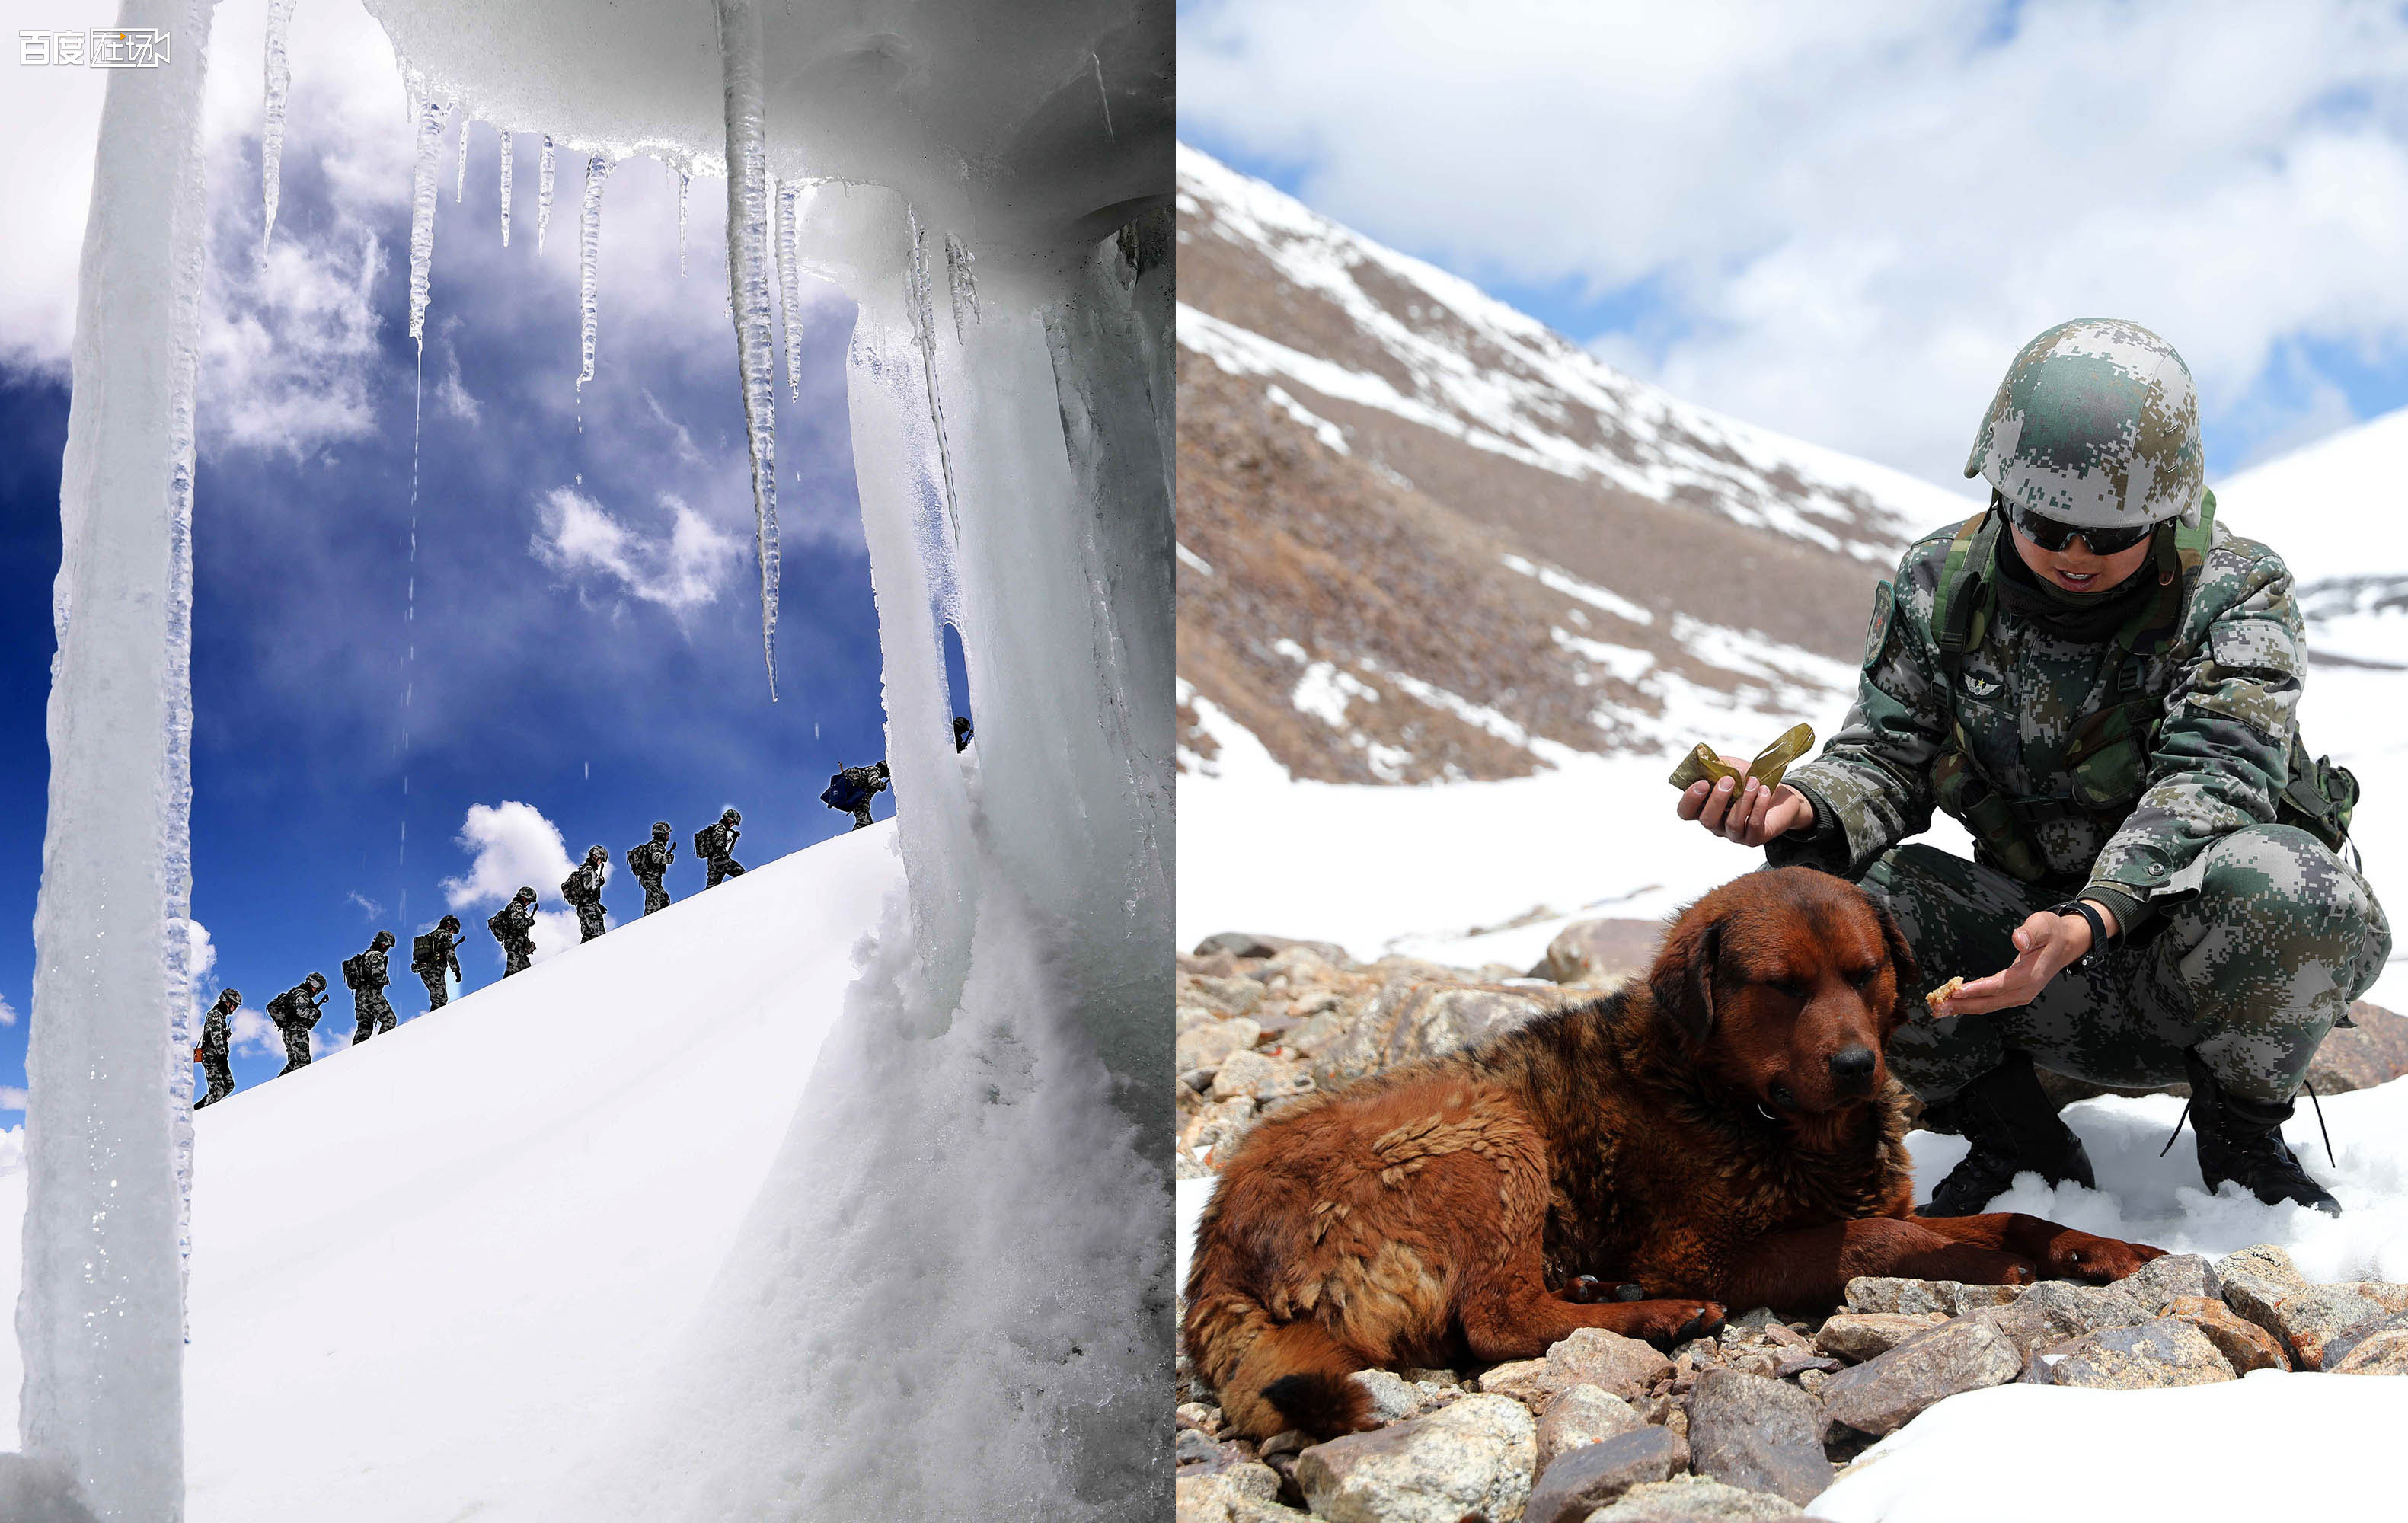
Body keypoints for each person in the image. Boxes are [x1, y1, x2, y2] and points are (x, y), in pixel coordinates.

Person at [1677, 318, 2387, 1218]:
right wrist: (1803, 807)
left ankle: (2242, 1135)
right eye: (2050, 525)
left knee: (2297, 882)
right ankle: (2014, 1138)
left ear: (2166, 515)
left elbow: (2215, 779)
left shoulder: (2239, 592)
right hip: (2020, 963)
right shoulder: (1940, 584)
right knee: (1823, 882)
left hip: (2196, 965)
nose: (2078, 555)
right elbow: (1885, 754)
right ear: (2005, 495)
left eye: (2114, 533)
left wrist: (2092, 916)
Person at [342, 930, 399, 1045]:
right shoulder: (376, 955)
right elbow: (378, 975)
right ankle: (380, 1049)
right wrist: (385, 979)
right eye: (387, 946)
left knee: (364, 1029)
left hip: (360, 996)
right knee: (390, 1020)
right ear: (383, 943)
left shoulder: (365, 955)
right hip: (370, 993)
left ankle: (354, 1056)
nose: (387, 949)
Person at [266, 974, 327, 1077]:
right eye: (318, 989)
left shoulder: (295, 992)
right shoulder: (302, 994)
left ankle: (279, 1084)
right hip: (296, 1032)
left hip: (287, 1032)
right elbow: (301, 1011)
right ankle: (295, 1087)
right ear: (315, 984)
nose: (317, 992)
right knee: (303, 1062)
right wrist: (315, 1013)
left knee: (294, 1062)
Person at [194, 988, 239, 1108]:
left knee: (229, 1085)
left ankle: (208, 1103)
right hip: (211, 1058)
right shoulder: (215, 1015)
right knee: (218, 1092)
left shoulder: (222, 1017)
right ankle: (201, 1110)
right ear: (227, 1002)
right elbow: (216, 1037)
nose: (235, 1009)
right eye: (234, 1005)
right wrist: (222, 1055)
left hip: (219, 1057)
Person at [412, 915, 464, 1011]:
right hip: (435, 971)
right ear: (450, 926)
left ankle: (433, 1021)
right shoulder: (445, 935)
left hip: (424, 971)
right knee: (441, 999)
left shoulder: (431, 935)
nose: (452, 933)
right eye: (453, 930)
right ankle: (434, 1023)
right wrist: (456, 970)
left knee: (436, 999)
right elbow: (450, 954)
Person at [821, 760, 890, 830]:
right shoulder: (875, 770)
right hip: (858, 797)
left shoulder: (866, 773)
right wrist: (882, 786)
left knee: (867, 821)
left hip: (855, 796)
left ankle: (868, 832)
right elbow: (874, 782)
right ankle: (857, 836)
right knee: (864, 822)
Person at [562, 845, 612, 943]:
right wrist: (599, 881)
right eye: (600, 860)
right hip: (589, 907)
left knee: (587, 936)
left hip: (584, 907)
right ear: (596, 857)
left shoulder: (585, 869)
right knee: (599, 934)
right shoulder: (588, 869)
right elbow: (588, 886)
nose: (600, 863)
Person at [626, 821, 675, 915]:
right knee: (653, 905)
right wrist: (668, 858)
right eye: (667, 834)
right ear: (662, 833)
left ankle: (659, 918)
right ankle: (649, 922)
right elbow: (656, 858)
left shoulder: (653, 844)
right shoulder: (657, 845)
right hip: (651, 877)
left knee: (663, 898)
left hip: (649, 878)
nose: (668, 837)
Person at [489, 886, 540, 976]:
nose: (528, 903)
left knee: (525, 967)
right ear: (524, 897)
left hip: (516, 941)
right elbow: (518, 923)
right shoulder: (517, 906)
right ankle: (505, 987)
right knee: (513, 968)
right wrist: (529, 922)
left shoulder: (516, 907)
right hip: (514, 941)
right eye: (529, 901)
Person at [695, 808, 746, 886]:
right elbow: (719, 842)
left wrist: (733, 839)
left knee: (712, 887)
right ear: (729, 820)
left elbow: (727, 851)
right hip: (721, 860)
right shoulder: (720, 828)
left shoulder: (719, 828)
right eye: (733, 823)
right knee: (742, 874)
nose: (732, 826)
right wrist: (730, 838)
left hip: (712, 863)